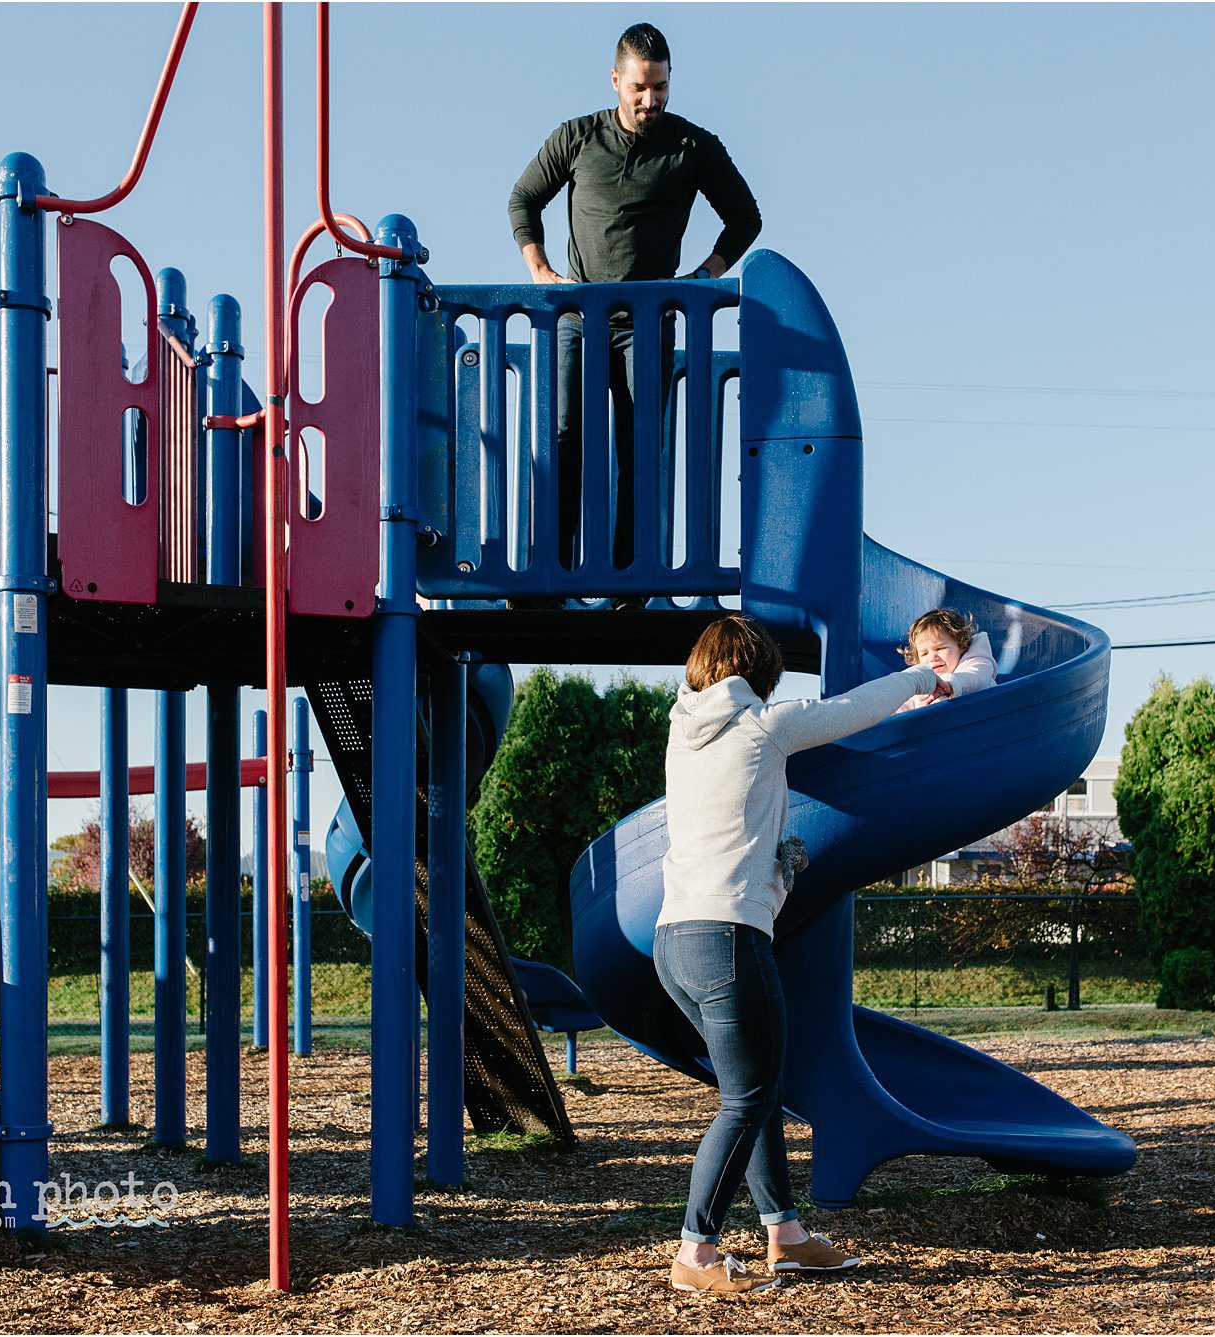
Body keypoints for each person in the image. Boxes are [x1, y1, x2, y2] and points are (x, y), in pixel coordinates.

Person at [654, 613, 949, 1295]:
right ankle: (695, 1252)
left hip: (675, 941)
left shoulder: (682, 734)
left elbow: (734, 829)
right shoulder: (762, 724)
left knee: (753, 1091)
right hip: (726, 937)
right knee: (750, 1095)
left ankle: (785, 1235)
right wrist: (921, 676)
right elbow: (848, 711)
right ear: (758, 673)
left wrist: (779, 869)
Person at [507, 22, 761, 582]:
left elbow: (746, 216)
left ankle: (630, 577)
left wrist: (702, 275)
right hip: (577, 317)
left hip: (645, 325)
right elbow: (524, 198)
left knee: (639, 447)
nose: (650, 101)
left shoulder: (693, 146)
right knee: (561, 439)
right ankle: (548, 571)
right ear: (615, 81)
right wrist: (542, 270)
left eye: (661, 88)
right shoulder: (577, 138)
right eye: (639, 88)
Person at [895, 608, 998, 713]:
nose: (932, 658)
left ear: (961, 644)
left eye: (940, 648)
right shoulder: (923, 682)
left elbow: (976, 677)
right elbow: (906, 705)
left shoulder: (976, 662)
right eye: (924, 653)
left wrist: (950, 684)